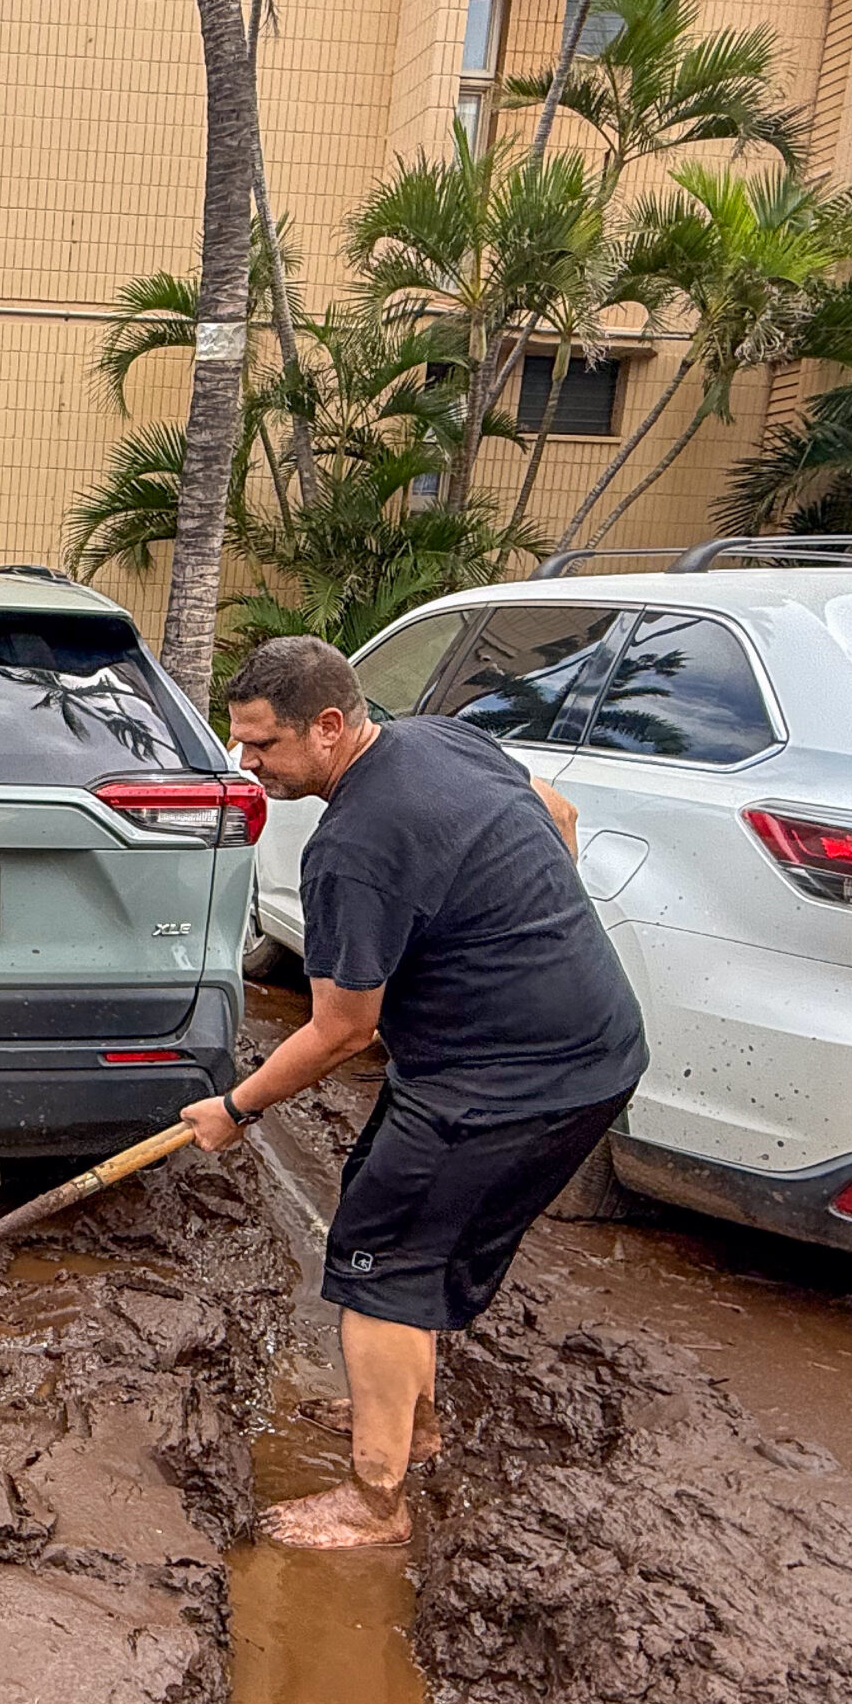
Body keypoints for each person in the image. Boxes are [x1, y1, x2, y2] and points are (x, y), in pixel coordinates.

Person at [178, 636, 646, 1549]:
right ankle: (412, 1431)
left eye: (262, 746)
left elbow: (343, 1029)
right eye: (239, 743)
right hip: (589, 1050)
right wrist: (516, 924)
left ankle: (374, 1500)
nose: (248, 765)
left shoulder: (352, 847)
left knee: (377, 1266)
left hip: (509, 1082)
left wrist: (235, 1108)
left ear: (326, 726)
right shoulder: (441, 738)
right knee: (397, 1229)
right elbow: (560, 813)